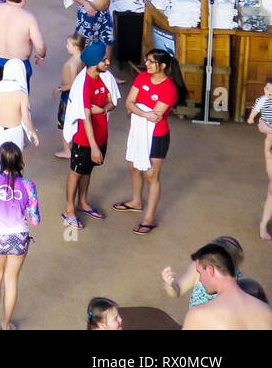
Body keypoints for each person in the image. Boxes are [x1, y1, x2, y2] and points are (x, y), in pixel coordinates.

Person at [113, 48, 186, 234]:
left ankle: (149, 218)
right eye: (146, 60)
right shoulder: (142, 77)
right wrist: (144, 112)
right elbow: (129, 102)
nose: (146, 64)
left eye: (151, 61)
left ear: (162, 66)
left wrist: (138, 110)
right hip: (138, 132)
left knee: (151, 175)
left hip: (157, 136)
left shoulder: (169, 88)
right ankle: (136, 201)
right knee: (134, 167)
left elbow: (157, 116)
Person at [0, 142, 40, 330]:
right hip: (20, 238)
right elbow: (35, 220)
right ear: (20, 161)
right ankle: (6, 325)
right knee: (11, 279)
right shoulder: (28, 185)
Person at [62, 42, 116, 228]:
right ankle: (69, 209)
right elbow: (85, 118)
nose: (108, 62)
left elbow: (112, 103)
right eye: (104, 60)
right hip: (84, 139)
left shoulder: (105, 77)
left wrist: (101, 109)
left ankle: (82, 203)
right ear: (94, 63)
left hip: (101, 134)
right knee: (76, 172)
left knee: (88, 170)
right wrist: (93, 147)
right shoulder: (84, 85)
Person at [181, 243, 272, 329]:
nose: (200, 279)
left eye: (200, 273)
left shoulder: (199, 315)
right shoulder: (267, 312)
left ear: (210, 270)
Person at [0, 60, 38, 177]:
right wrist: (33, 133)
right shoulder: (22, 93)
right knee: (14, 161)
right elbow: (25, 119)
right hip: (15, 132)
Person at [54, 33, 86, 159]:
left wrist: (60, 89)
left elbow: (72, 83)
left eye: (68, 44)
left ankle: (67, 150)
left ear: (76, 47)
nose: (66, 46)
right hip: (78, 94)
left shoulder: (73, 63)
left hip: (68, 95)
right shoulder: (83, 60)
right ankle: (76, 144)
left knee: (63, 122)